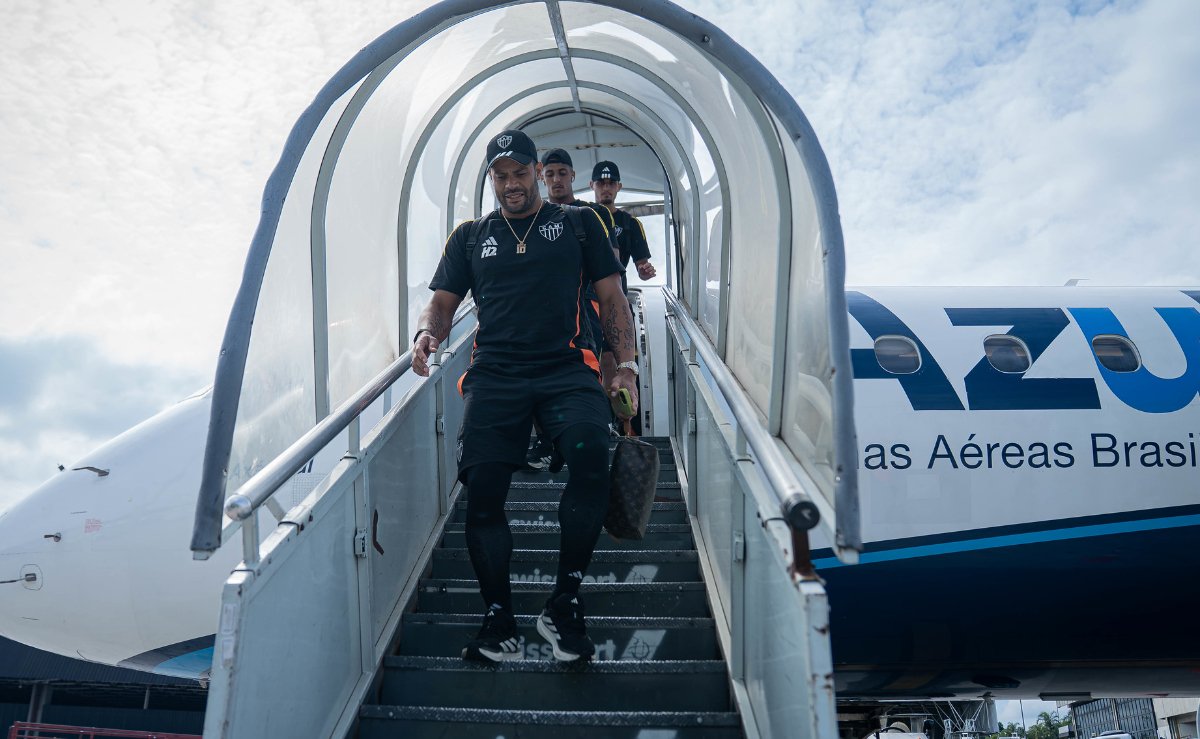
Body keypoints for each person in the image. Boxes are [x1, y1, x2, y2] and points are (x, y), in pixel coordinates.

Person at [411, 129, 640, 663]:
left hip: (567, 368)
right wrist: (427, 333)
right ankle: (499, 620)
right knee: (484, 488)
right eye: (501, 175)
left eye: (520, 172)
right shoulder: (470, 236)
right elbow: (441, 303)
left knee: (588, 457)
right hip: (496, 374)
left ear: (539, 172)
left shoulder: (579, 223)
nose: (511, 184)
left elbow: (613, 297)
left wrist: (624, 367)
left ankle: (564, 603)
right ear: (491, 178)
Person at [589, 160, 657, 291]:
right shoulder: (579, 215)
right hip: (583, 298)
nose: (606, 188)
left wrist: (645, 272)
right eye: (601, 183)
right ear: (592, 185)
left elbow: (642, 266)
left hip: (617, 293)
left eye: (611, 183)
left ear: (619, 186)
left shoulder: (631, 224)